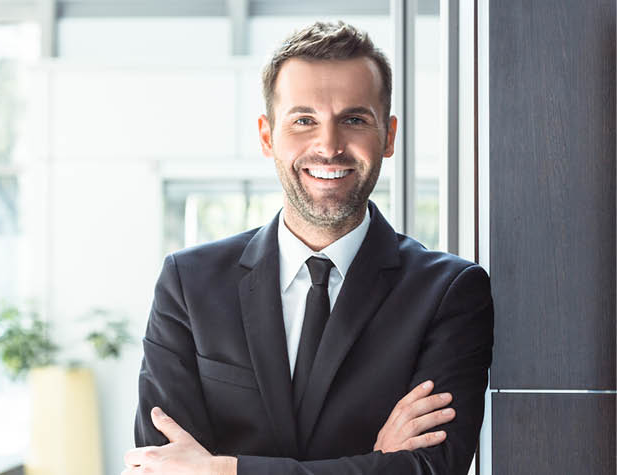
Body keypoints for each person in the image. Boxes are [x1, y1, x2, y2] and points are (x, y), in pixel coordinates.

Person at [126, 21, 493, 475]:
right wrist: (377, 463)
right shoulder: (189, 282)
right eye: (304, 121)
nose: (329, 145)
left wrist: (223, 469)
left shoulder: (448, 293)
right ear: (267, 136)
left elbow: (430, 469)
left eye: (354, 120)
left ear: (389, 136)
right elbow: (162, 467)